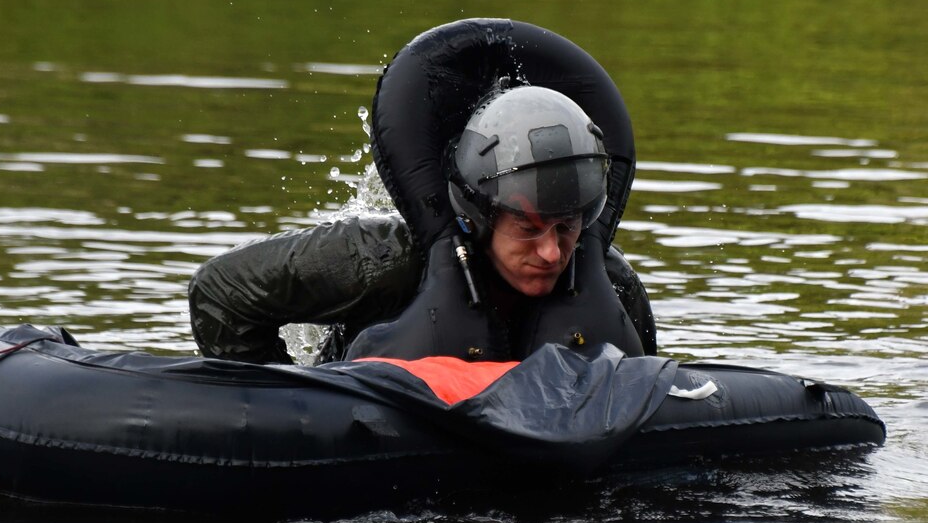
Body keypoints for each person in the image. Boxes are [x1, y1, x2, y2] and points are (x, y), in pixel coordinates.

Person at [189, 85, 657, 365]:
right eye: (528, 228)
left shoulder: (611, 287)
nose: (553, 253)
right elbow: (220, 291)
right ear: (479, 215)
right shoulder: (382, 259)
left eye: (566, 226)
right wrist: (286, 408)